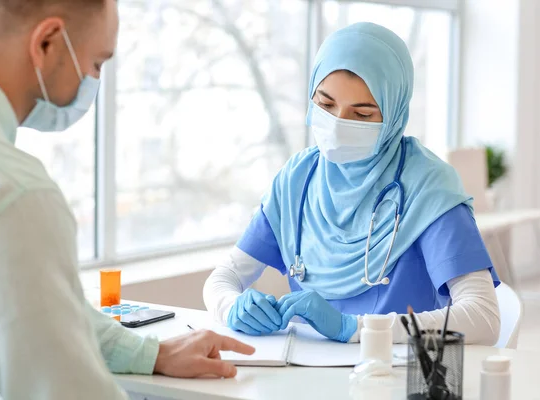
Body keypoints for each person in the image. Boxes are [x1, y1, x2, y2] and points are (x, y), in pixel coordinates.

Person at [0, 1, 254, 399]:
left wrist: (150, 353)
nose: (93, 81)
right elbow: (64, 388)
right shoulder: (20, 196)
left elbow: (43, 309)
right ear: (47, 42)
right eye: (97, 64)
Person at [204, 22, 501, 345]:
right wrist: (231, 306)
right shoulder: (297, 180)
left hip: (396, 378)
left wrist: (355, 328)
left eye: (362, 115)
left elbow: (482, 318)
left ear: (394, 114)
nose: (338, 125)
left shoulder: (428, 187)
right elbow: (224, 277)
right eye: (326, 105)